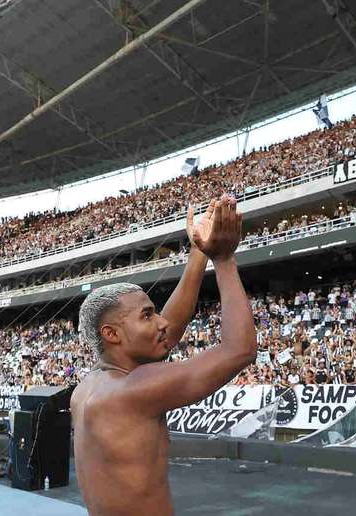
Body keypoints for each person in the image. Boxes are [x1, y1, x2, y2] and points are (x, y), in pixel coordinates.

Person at [71, 196, 253, 516]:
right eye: (147, 315)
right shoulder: (135, 388)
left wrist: (199, 252)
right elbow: (239, 350)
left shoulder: (89, 388)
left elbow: (166, 332)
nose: (162, 322)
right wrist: (224, 259)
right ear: (111, 334)